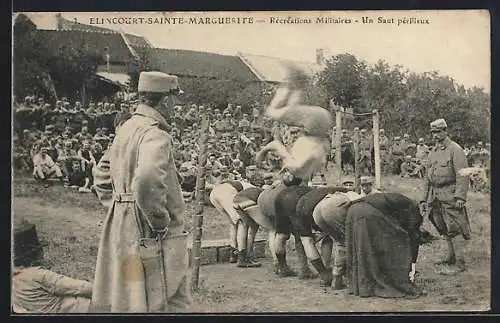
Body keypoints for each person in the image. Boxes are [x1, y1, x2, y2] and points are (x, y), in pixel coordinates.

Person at [91, 71, 190, 313]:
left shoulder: (127, 127)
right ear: (166, 100)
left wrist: (118, 204)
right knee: (164, 297)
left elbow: (102, 174)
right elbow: (147, 177)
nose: (176, 106)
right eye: (174, 100)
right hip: (149, 229)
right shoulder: (155, 133)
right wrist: (159, 221)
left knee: (128, 293)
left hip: (123, 222)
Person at [346, 193, 431, 298]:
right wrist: (410, 262)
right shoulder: (414, 213)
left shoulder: (402, 202)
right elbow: (409, 236)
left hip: (353, 212)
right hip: (368, 213)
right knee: (397, 243)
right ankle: (397, 282)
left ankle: (364, 285)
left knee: (365, 248)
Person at [420, 118, 470, 275]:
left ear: (445, 131)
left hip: (450, 195)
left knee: (454, 227)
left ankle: (460, 263)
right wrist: (423, 198)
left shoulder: (455, 149)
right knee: (441, 227)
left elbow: (463, 175)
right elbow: (427, 177)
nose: (435, 135)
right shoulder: (433, 152)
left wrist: (460, 197)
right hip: (435, 197)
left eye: (438, 132)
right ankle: (450, 256)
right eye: (433, 132)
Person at [12, 221, 93, 313]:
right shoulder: (39, 275)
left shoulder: (14, 278)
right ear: (35, 254)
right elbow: (82, 288)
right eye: (40, 250)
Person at [209, 179, 258, 267]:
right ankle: (242, 258)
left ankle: (233, 254)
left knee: (233, 223)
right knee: (242, 222)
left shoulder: (247, 186)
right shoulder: (256, 190)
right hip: (226, 191)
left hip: (214, 194)